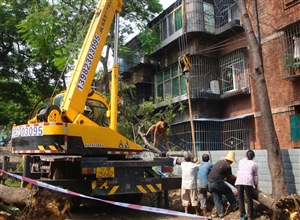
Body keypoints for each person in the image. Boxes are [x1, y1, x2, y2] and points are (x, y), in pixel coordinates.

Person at [208, 151, 238, 217]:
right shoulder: (227, 166)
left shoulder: (219, 162)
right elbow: (231, 176)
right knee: (228, 191)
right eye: (232, 161)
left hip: (210, 183)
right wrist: (237, 178)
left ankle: (220, 213)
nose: (232, 163)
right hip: (217, 182)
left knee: (217, 198)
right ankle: (234, 206)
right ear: (230, 160)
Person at [235, 150, 258, 220]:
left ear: (246, 156)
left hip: (239, 181)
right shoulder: (254, 164)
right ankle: (250, 216)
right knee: (249, 199)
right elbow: (255, 176)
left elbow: (239, 170)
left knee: (241, 198)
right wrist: (256, 186)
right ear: (253, 157)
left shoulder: (241, 161)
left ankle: (242, 215)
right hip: (248, 182)